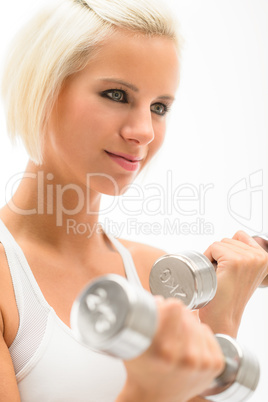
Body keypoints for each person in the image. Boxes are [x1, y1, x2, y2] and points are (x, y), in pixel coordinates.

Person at [0, 0, 267, 401]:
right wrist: (148, 389)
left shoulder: (153, 274)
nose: (144, 131)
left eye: (159, 107)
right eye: (117, 94)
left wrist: (220, 324)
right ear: (43, 90)